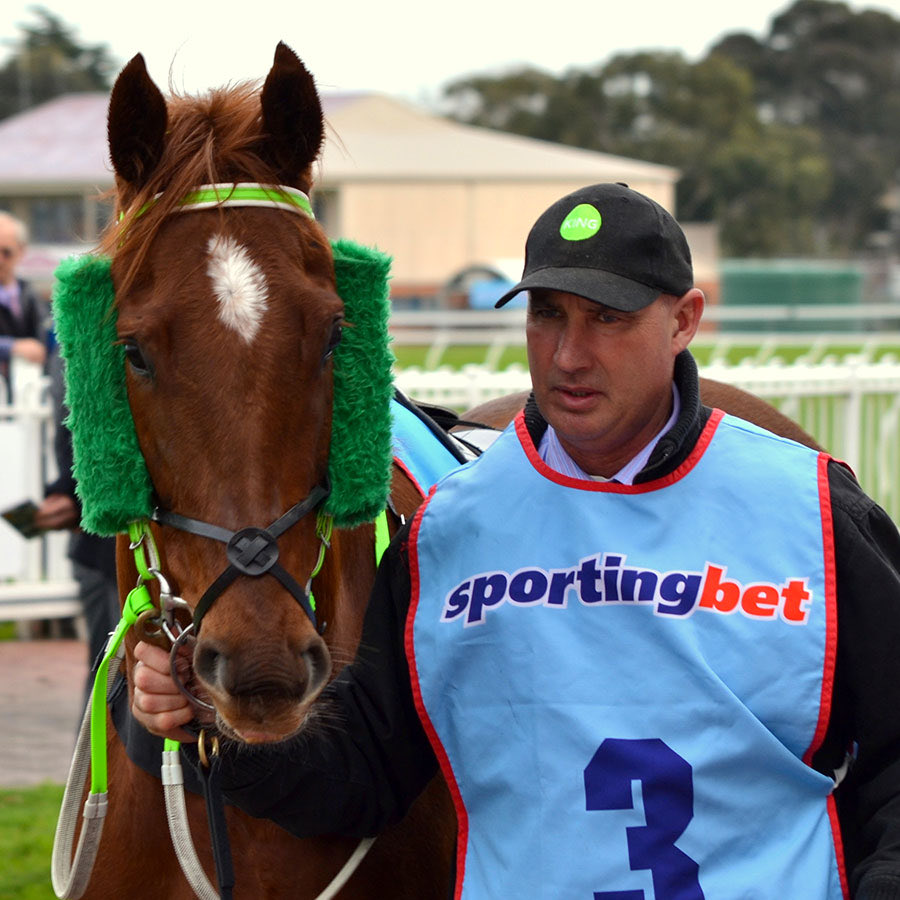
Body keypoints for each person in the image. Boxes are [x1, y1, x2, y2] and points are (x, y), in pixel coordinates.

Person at [131, 183, 900, 898]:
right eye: (548, 315)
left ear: (684, 321)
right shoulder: (446, 531)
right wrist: (211, 714)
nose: (568, 355)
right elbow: (361, 779)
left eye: (608, 317)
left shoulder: (813, 512)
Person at [34, 348, 119, 702]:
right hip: (97, 546)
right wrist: (65, 493)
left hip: (130, 535)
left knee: (118, 674)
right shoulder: (69, 348)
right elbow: (70, 439)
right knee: (108, 673)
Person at [0, 211, 47, 398]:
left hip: (31, 396)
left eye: (6, 252)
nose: (0, 260)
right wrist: (13, 347)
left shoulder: (31, 295)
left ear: (21, 251)